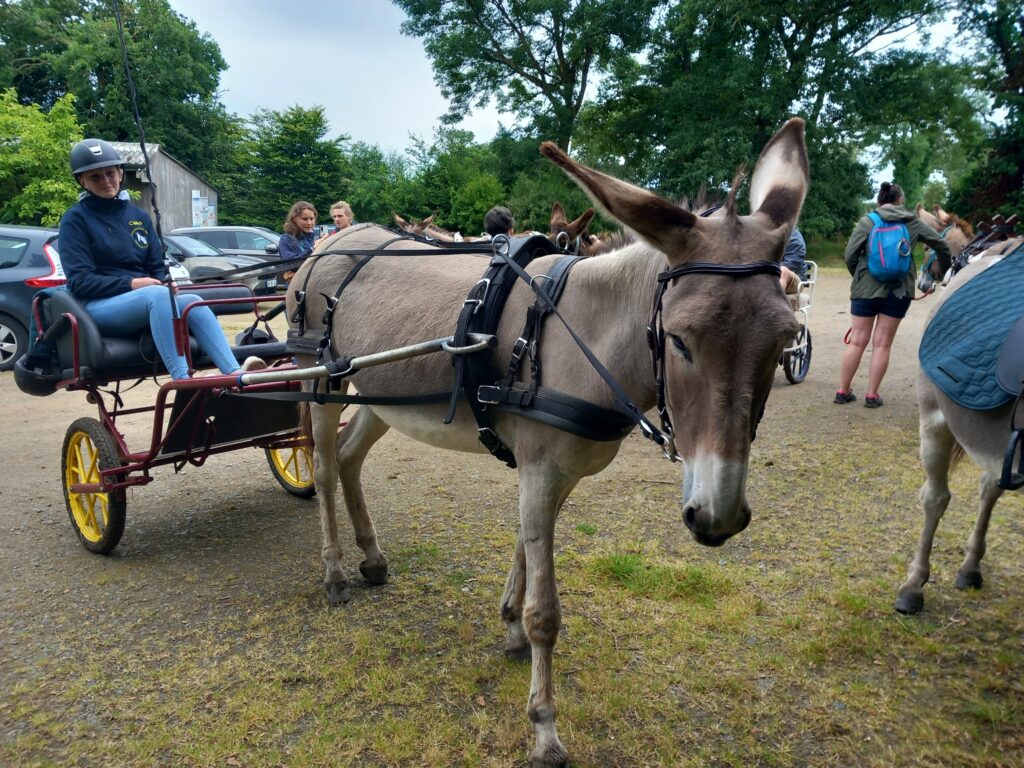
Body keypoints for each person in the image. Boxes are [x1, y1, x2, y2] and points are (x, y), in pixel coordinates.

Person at [58, 138, 263, 380]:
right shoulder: (75, 220)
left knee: (192, 301)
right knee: (156, 295)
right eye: (95, 177)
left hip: (144, 301)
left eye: (110, 173)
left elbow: (156, 267)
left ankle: (236, 375)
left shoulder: (138, 217)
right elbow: (80, 282)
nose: (106, 181)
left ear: (120, 173)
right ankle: (182, 379)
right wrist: (134, 284)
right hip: (97, 308)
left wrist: (164, 282)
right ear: (82, 181)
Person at [834, 182, 950, 408]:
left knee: (857, 341)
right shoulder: (911, 222)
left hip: (865, 290)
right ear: (899, 200)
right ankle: (872, 395)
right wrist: (942, 272)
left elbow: (849, 255)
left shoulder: (868, 222)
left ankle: (843, 391)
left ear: (880, 200)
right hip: (898, 292)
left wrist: (859, 276)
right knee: (882, 343)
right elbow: (942, 245)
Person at [780, 227, 807, 294]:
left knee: (783, 270)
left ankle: (773, 302)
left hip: (794, 278)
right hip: (769, 277)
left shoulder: (794, 238)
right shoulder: (764, 236)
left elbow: (791, 265)